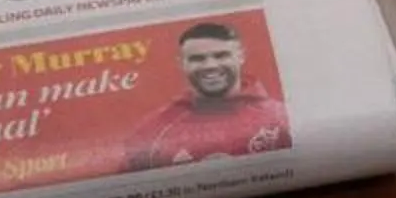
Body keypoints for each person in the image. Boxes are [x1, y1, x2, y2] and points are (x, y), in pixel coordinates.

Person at [121, 20, 292, 169]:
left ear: (241, 56)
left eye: (221, 55)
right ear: (181, 63)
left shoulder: (284, 118)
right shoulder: (152, 133)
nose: (210, 65)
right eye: (197, 59)